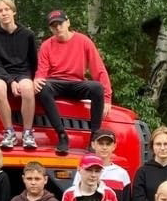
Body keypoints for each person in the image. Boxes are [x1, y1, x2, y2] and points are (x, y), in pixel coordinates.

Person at [34, 10, 111, 155]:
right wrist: (37, 80)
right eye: (53, 26)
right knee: (42, 87)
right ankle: (62, 135)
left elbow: (99, 70)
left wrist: (107, 98)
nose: (58, 28)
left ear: (68, 22)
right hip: (56, 83)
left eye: (60, 23)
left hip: (76, 83)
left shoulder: (83, 41)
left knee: (97, 88)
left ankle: (94, 138)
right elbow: (41, 72)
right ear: (50, 29)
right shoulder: (46, 46)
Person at [0, 0, 40, 150]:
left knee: (28, 88)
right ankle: (9, 133)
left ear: (13, 12)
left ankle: (28, 133)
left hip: (22, 72)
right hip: (0, 73)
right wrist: (10, 82)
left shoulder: (27, 35)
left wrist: (34, 78)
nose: (4, 13)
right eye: (0, 11)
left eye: (7, 9)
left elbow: (33, 61)